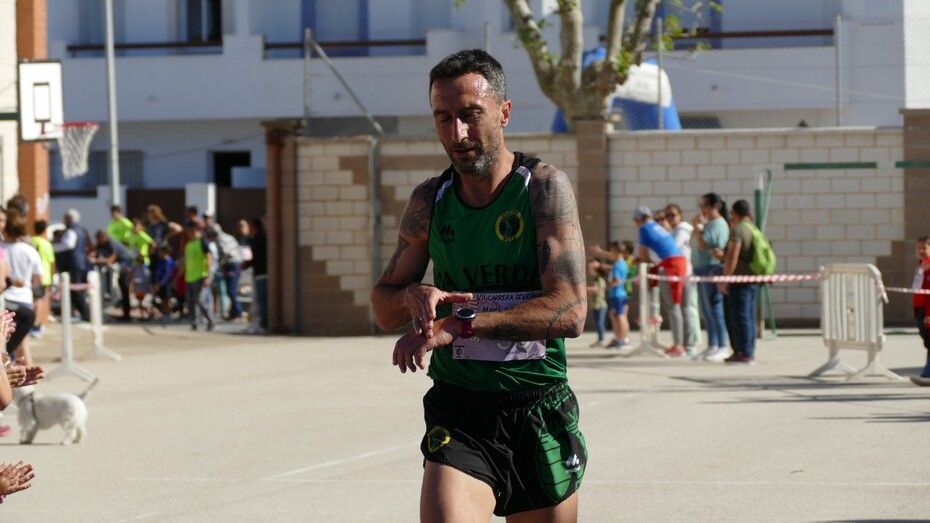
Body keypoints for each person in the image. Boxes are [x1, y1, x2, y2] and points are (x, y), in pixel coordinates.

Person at [371, 49, 587, 521]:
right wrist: (411, 295)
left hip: (537, 405)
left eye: (470, 115)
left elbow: (570, 311)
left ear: (504, 112)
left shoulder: (542, 189)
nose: (457, 134)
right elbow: (383, 308)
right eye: (443, 117)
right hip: (460, 408)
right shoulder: (429, 201)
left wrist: (460, 325)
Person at [634, 206, 689, 357]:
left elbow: (643, 254)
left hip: (671, 265)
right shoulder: (656, 226)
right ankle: (679, 343)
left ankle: (679, 345)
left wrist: (643, 264)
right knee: (674, 305)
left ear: (639, 219)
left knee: (673, 306)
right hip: (677, 262)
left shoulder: (644, 228)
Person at [691, 193, 731, 362]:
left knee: (715, 308)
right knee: (706, 309)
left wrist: (700, 228)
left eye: (704, 206)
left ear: (715, 206)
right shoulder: (708, 224)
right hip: (701, 269)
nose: (702, 210)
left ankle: (722, 345)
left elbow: (704, 245)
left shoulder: (719, 224)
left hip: (712, 268)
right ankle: (712, 344)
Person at [1, 210, 43, 365]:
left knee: (8, 345)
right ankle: (28, 378)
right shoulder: (29, 250)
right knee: (23, 346)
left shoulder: (2, 248)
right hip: (24, 299)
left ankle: (21, 377)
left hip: (6, 300)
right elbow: (38, 279)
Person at [720, 199, 758, 364]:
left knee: (739, 317)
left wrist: (726, 278)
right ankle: (747, 351)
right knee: (748, 316)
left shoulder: (738, 230)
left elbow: (732, 256)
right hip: (751, 278)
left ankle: (744, 352)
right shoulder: (753, 228)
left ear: (735, 213)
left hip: (739, 279)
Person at [665, 204, 701, 356]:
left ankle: (691, 345)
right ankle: (683, 344)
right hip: (678, 274)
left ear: (680, 215)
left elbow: (672, 247)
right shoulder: (673, 231)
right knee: (680, 310)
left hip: (686, 274)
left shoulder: (682, 229)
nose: (670, 218)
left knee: (688, 310)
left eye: (672, 215)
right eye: (667, 215)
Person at [53, 209, 92, 322]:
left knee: (76, 291)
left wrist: (52, 247)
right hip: (80, 263)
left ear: (69, 219)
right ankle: (82, 314)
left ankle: (85, 315)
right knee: (76, 291)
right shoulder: (81, 230)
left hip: (73, 264)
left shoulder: (72, 230)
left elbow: (68, 245)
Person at [90, 230, 135, 322]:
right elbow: (95, 252)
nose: (98, 241)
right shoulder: (101, 244)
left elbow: (111, 259)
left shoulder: (112, 244)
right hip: (113, 270)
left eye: (99, 239)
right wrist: (94, 255)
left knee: (124, 291)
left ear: (104, 238)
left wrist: (96, 261)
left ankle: (127, 316)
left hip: (124, 268)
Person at [207, 224, 244, 321]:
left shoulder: (221, 239)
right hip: (234, 264)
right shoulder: (228, 236)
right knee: (230, 290)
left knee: (231, 290)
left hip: (232, 265)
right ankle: (233, 313)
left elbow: (227, 253)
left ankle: (238, 313)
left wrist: (220, 263)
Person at [182, 223, 214, 331]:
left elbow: (209, 257)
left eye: (193, 231)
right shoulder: (188, 245)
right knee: (190, 301)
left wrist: (208, 274)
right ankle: (194, 321)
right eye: (189, 232)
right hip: (189, 277)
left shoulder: (202, 242)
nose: (191, 234)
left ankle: (210, 319)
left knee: (199, 300)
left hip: (200, 276)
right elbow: (186, 261)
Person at [910, 236, 930, 386]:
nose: (921, 251)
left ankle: (927, 374)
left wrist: (929, 313)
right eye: (918, 248)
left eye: (924, 248)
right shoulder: (921, 266)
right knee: (928, 341)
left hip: (927, 310)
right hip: (919, 309)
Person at [31, 220, 55, 338]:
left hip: (31, 276)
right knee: (39, 301)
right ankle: (36, 325)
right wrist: (52, 276)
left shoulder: (30, 241)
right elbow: (51, 262)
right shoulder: (46, 244)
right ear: (45, 230)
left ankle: (32, 325)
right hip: (44, 276)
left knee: (32, 300)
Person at [243, 216, 267, 332]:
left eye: (251, 227)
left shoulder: (257, 241)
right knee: (260, 301)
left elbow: (254, 259)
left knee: (260, 301)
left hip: (261, 274)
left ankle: (263, 325)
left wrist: (245, 264)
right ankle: (259, 324)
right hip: (261, 273)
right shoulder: (262, 239)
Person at [586, 260, 608, 348]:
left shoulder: (600, 279)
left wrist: (585, 289)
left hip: (601, 305)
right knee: (597, 323)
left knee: (599, 323)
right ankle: (600, 339)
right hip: (596, 305)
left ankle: (602, 340)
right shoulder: (595, 279)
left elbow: (596, 289)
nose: (589, 271)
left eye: (591, 269)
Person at [152, 245, 176, 322]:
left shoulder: (168, 261)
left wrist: (160, 283)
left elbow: (168, 274)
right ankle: (164, 314)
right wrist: (157, 283)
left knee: (166, 300)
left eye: (161, 251)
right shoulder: (161, 261)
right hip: (160, 284)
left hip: (166, 284)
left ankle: (168, 315)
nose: (159, 253)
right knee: (162, 299)